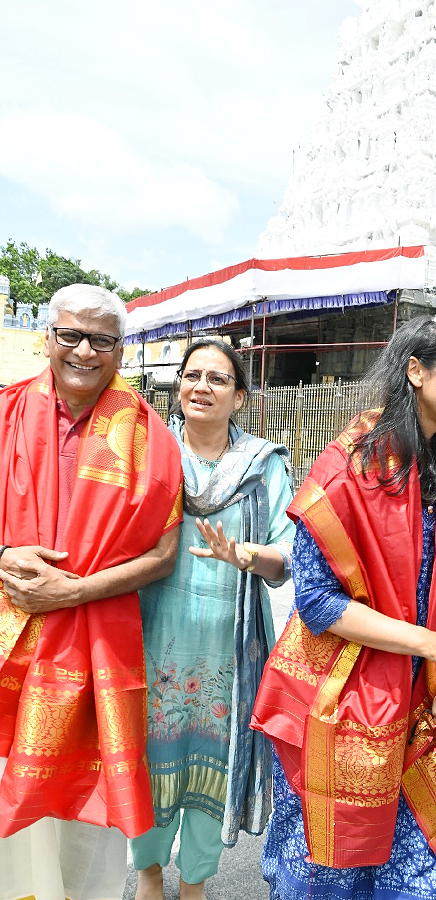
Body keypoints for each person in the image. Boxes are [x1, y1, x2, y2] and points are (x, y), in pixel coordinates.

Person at [251, 317, 436, 900]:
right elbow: (317, 602)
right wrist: (431, 645)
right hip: (336, 701)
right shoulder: (349, 467)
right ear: (416, 371)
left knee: (414, 877)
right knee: (324, 871)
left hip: (422, 707)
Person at [0, 284, 183, 900]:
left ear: (120, 349)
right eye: (70, 335)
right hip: (8, 646)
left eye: (101, 340)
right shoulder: (5, 413)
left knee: (84, 822)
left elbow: (162, 555)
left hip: (97, 653)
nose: (84, 350)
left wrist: (71, 592)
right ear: (47, 339)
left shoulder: (149, 435)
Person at [131, 337, 295, 900]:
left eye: (217, 378)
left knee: (215, 762)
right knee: (151, 755)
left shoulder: (264, 466)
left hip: (230, 642)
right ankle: (149, 872)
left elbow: (287, 553)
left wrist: (244, 554)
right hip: (154, 632)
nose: (201, 386)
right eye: (192, 375)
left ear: (241, 397)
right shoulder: (151, 454)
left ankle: (195, 883)